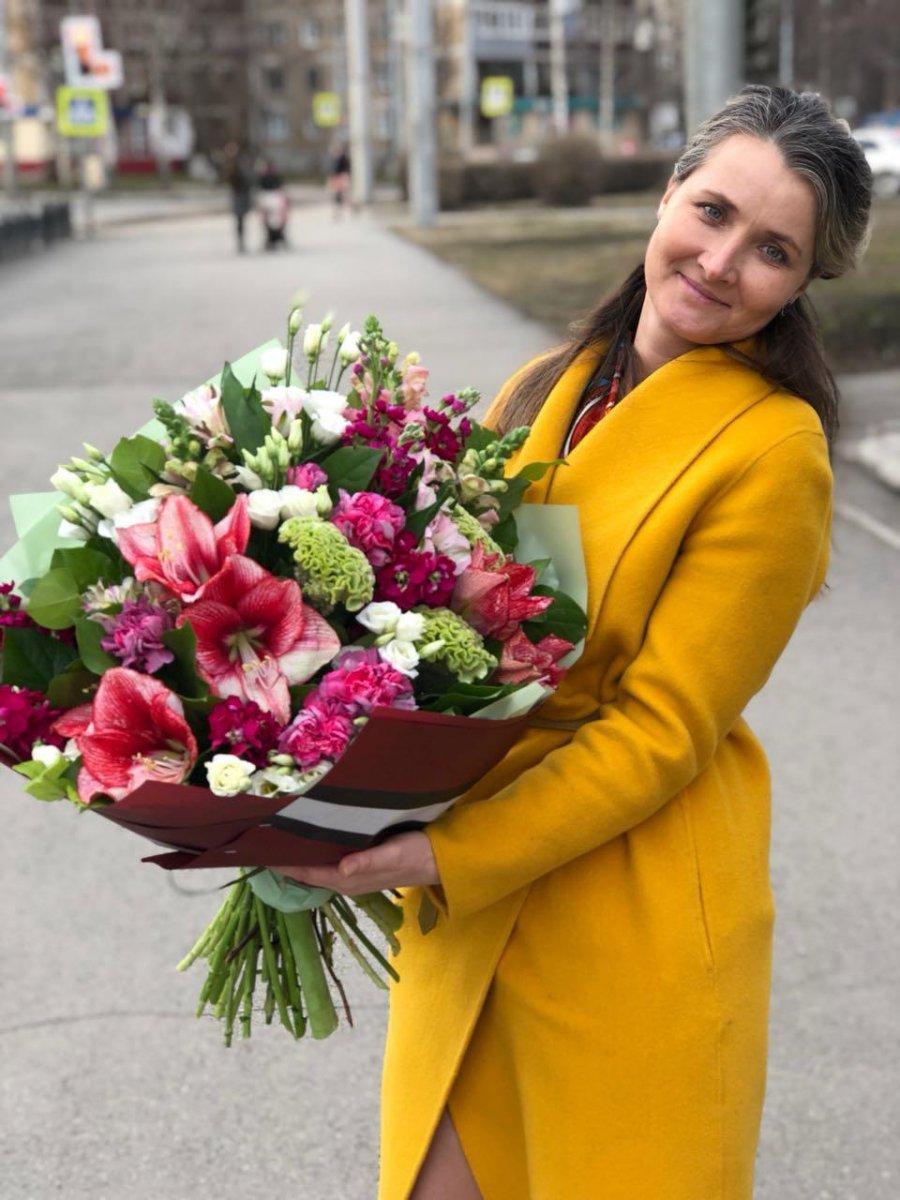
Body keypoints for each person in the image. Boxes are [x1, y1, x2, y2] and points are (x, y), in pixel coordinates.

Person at [275, 86, 873, 1199]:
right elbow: (432, 627)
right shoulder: (544, 386)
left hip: (627, 908)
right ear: (668, 195)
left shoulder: (775, 452)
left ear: (802, 284)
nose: (721, 262)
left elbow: (663, 730)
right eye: (712, 211)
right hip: (474, 899)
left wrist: (448, 854)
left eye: (773, 250)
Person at [223, 143, 253, 254]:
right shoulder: (230, 164)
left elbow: (247, 177)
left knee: (242, 218)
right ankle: (241, 242)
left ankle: (242, 241)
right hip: (238, 194)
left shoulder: (240, 162)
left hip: (243, 193)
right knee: (240, 219)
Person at [257, 160, 289, 250]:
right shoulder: (263, 178)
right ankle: (271, 239)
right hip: (268, 199)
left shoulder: (276, 178)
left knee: (277, 221)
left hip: (275, 200)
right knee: (269, 221)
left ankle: (278, 237)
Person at [328, 142, 352, 218]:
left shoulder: (344, 159)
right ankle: (338, 210)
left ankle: (348, 209)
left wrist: (345, 177)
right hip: (336, 178)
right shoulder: (334, 159)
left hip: (341, 177)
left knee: (343, 194)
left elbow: (347, 169)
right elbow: (332, 170)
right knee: (336, 194)